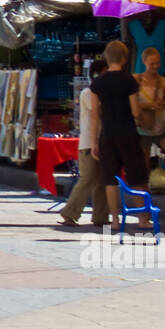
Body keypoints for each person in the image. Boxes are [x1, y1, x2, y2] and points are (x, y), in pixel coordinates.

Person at [91, 39, 151, 232]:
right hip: (127, 132)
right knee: (136, 176)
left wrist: (94, 141)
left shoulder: (98, 82)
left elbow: (94, 113)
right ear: (124, 59)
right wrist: (142, 118)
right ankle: (142, 218)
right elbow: (135, 111)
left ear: (107, 58)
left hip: (107, 134)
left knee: (110, 178)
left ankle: (115, 220)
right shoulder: (129, 80)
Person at [59, 59, 110, 227]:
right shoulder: (89, 93)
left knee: (102, 181)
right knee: (87, 179)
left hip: (103, 140)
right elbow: (99, 111)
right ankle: (70, 213)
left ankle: (101, 216)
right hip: (89, 142)